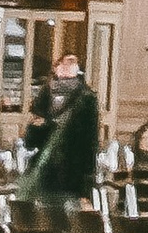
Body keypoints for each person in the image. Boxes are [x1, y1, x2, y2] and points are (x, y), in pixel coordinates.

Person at [18, 51, 101, 215]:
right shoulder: (45, 94)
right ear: (56, 67)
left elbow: (89, 143)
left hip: (72, 171)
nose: (69, 67)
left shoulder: (86, 98)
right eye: (66, 62)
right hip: (46, 170)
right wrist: (38, 128)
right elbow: (31, 140)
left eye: (73, 63)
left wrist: (86, 183)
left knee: (69, 218)